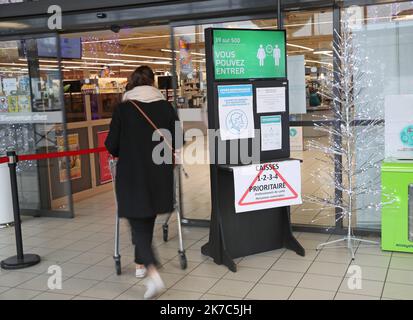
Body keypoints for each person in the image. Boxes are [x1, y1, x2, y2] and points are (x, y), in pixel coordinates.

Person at [105, 66, 181, 299]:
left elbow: (112, 145)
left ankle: (153, 273)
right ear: (153, 83)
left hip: (133, 175)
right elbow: (179, 138)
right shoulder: (166, 106)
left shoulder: (123, 109)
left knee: (138, 222)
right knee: (144, 220)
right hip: (160, 175)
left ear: (132, 83)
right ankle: (140, 262)